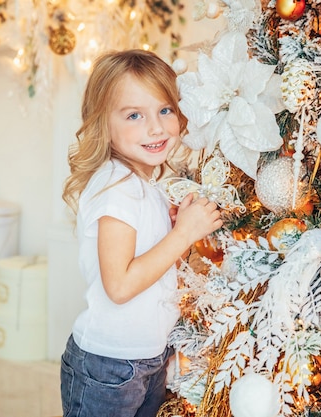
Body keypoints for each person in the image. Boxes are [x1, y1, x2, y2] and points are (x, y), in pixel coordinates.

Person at [60, 49, 223, 417]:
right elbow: (119, 286)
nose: (155, 127)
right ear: (104, 124)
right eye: (134, 115)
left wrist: (173, 228)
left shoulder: (143, 182)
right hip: (110, 366)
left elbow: (150, 262)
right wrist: (182, 235)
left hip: (146, 357)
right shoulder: (117, 185)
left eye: (164, 109)